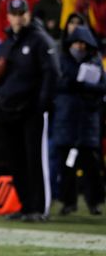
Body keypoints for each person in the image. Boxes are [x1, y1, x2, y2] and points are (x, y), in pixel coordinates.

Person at [0, 0, 59, 222]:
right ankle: (26, 206)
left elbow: (52, 74)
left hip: (32, 110)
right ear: (8, 16)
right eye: (14, 13)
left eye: (22, 13)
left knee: (35, 160)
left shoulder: (40, 40)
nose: (18, 17)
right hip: (10, 109)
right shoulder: (8, 42)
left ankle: (40, 209)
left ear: (28, 14)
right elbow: (0, 74)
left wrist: (43, 105)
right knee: (16, 160)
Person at [53, 26, 105, 216]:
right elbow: (55, 83)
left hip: (87, 122)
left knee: (91, 166)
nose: (80, 46)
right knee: (66, 166)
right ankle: (68, 201)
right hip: (67, 121)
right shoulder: (62, 61)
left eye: (83, 43)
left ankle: (94, 201)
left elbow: (103, 86)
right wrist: (73, 84)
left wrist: (87, 87)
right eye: (77, 42)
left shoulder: (95, 62)